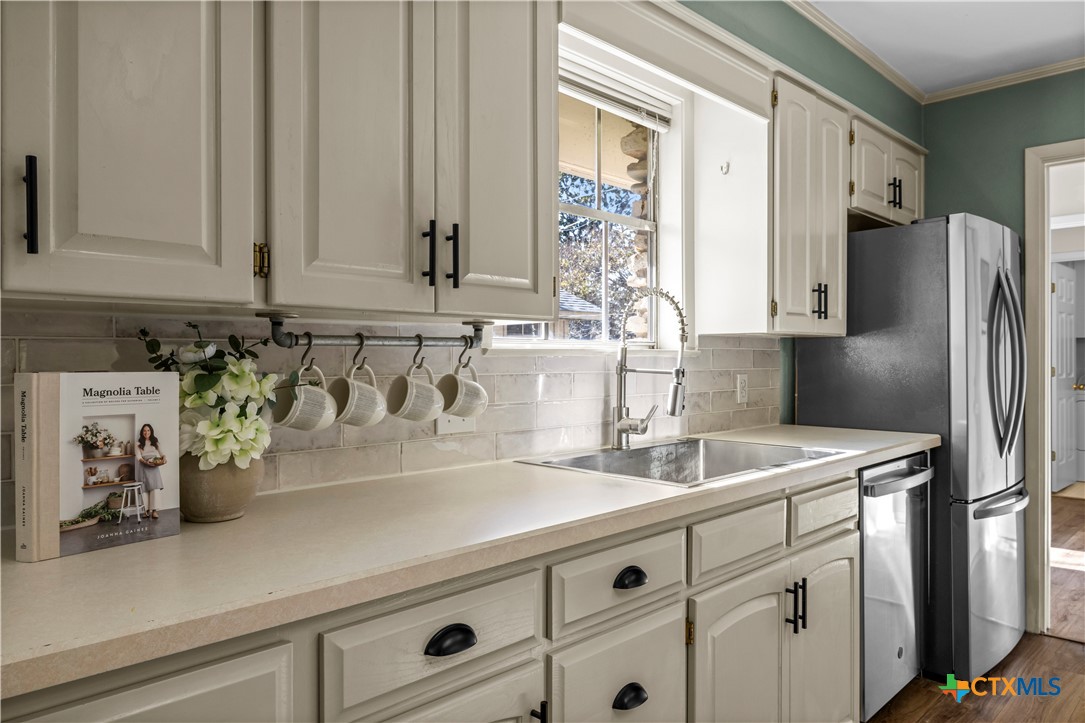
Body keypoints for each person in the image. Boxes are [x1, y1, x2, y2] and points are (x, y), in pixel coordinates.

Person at [135, 423, 165, 520]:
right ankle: (146, 511)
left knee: (155, 488)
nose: (146, 432)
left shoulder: (155, 442)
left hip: (154, 467)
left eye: (148, 430)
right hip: (144, 467)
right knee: (145, 489)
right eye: (144, 430)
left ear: (151, 431)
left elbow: (162, 454)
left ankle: (154, 511)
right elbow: (138, 457)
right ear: (142, 432)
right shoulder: (138, 443)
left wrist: (164, 459)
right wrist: (146, 462)